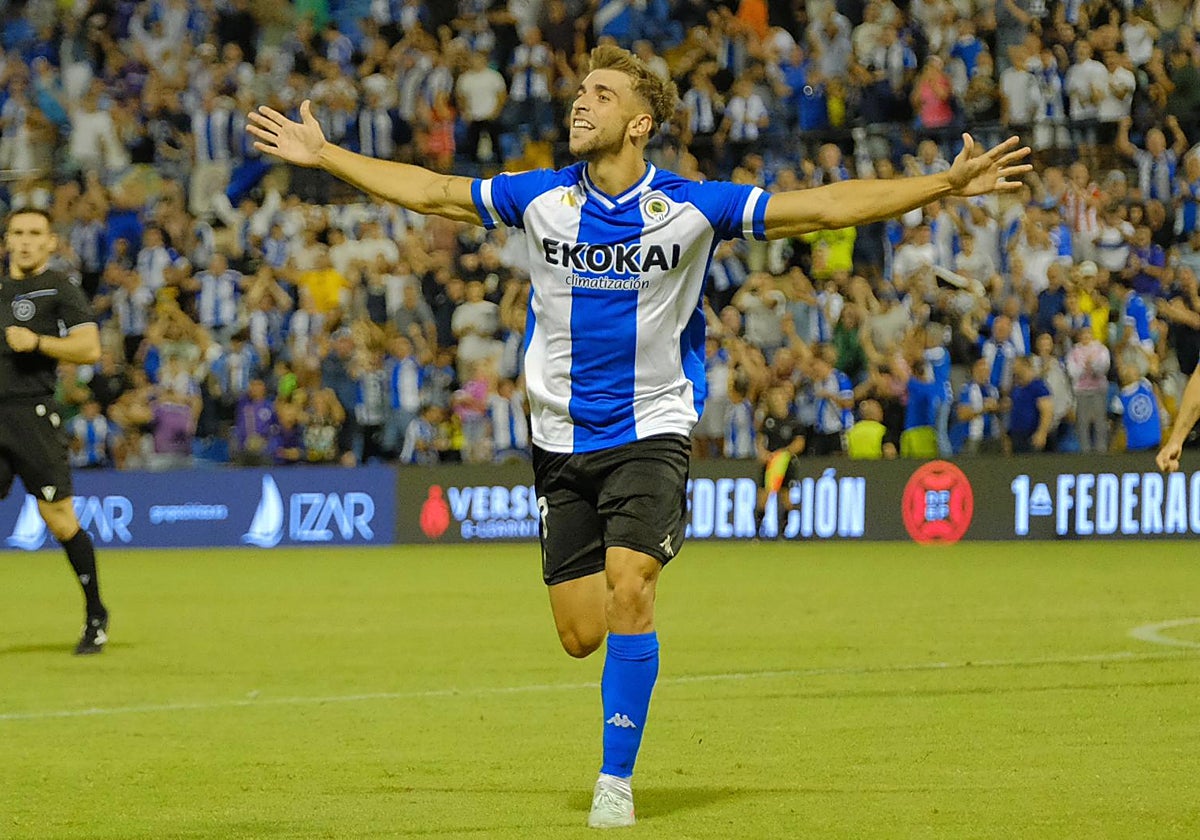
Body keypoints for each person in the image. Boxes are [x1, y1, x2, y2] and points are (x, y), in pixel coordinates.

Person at [246, 43, 1030, 829]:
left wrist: (944, 184)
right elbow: (431, 192)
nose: (580, 103)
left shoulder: (693, 207)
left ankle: (614, 780)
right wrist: (326, 155)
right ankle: (617, 689)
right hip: (557, 438)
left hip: (651, 427)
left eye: (601, 94)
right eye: (581, 90)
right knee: (581, 635)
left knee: (633, 588)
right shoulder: (541, 198)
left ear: (639, 124)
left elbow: (824, 207)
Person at [1, 208, 107, 655]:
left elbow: (90, 348)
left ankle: (95, 615)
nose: (25, 241)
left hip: (32, 414)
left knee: (59, 519)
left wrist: (39, 342)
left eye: (34, 234)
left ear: (50, 242)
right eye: (18, 233)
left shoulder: (59, 289)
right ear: (7, 240)